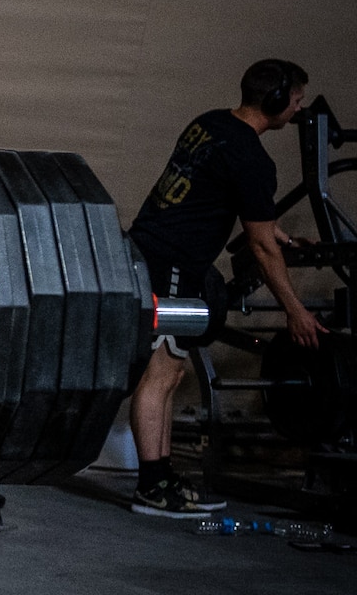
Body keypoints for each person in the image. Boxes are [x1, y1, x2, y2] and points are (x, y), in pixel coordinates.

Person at [126, 58, 324, 516]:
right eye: (295, 101)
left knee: (170, 370)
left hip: (152, 252)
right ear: (275, 100)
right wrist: (294, 310)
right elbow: (260, 246)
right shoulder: (252, 158)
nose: (298, 109)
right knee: (161, 373)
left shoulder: (211, 124)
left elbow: (228, 201)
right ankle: (152, 488)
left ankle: (160, 476)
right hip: (172, 265)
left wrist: (282, 235)